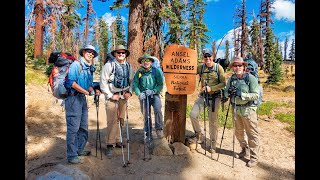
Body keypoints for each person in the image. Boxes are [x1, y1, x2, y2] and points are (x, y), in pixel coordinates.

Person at [64, 44, 100, 164]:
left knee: (83, 126)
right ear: (83, 53)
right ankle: (71, 155)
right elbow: (71, 83)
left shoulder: (90, 68)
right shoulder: (76, 65)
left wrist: (93, 91)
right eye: (88, 52)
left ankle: (79, 149)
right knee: (73, 128)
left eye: (92, 53)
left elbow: (89, 85)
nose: (91, 54)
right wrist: (86, 92)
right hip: (73, 98)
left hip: (82, 99)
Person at [223, 56, 260, 168]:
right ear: (232, 67)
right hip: (236, 109)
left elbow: (256, 95)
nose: (237, 67)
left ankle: (254, 157)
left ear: (244, 66)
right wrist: (228, 93)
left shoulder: (251, 78)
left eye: (239, 65)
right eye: (235, 65)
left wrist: (241, 94)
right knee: (238, 132)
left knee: (252, 134)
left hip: (248, 110)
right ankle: (245, 149)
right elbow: (225, 92)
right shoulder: (232, 78)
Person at [100, 45, 135, 158]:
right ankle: (110, 144)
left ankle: (118, 139)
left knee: (121, 119)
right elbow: (103, 82)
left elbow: (132, 81)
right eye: (118, 53)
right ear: (115, 54)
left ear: (125, 54)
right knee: (112, 120)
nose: (121, 54)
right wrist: (110, 95)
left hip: (123, 97)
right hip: (112, 97)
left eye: (123, 53)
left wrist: (129, 92)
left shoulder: (129, 67)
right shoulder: (108, 65)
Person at [189, 48, 226, 153]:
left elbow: (223, 83)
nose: (207, 58)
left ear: (212, 57)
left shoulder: (219, 68)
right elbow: (190, 71)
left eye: (209, 56)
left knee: (212, 122)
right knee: (193, 115)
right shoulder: (201, 67)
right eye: (205, 56)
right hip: (203, 96)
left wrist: (212, 88)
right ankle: (199, 135)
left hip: (215, 97)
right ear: (203, 58)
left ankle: (213, 144)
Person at [132, 54, 164, 141]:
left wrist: (154, 91)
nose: (146, 62)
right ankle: (148, 132)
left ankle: (159, 129)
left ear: (151, 62)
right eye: (143, 61)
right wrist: (139, 94)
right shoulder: (139, 72)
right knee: (146, 115)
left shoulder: (155, 71)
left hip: (154, 94)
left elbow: (160, 84)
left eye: (148, 61)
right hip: (143, 95)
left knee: (158, 110)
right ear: (141, 63)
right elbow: (135, 84)